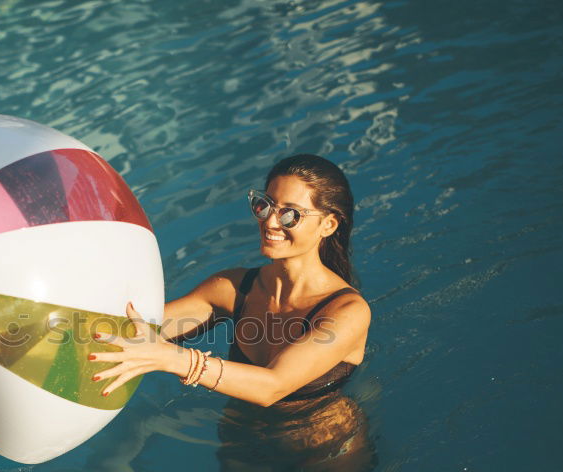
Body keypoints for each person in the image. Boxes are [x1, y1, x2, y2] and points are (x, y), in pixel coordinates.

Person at [88, 153, 370, 406]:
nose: (270, 222)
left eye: (289, 215)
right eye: (265, 206)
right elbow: (139, 332)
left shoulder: (347, 312)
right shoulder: (233, 289)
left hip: (325, 440)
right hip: (241, 432)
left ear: (328, 225)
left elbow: (273, 387)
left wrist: (171, 358)